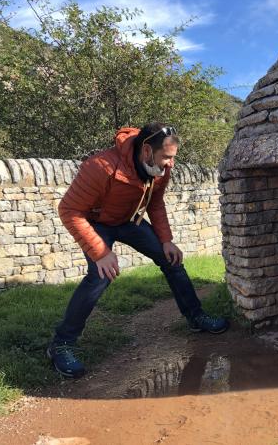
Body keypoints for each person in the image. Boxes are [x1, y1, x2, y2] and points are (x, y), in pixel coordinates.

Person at [47, 122, 229, 378]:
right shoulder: (100, 167)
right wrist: (100, 252)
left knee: (171, 259)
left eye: (173, 157)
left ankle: (196, 317)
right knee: (100, 276)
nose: (169, 164)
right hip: (96, 223)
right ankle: (61, 344)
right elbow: (69, 210)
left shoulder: (161, 170)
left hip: (128, 221)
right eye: (166, 157)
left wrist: (166, 239)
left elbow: (155, 203)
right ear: (146, 150)